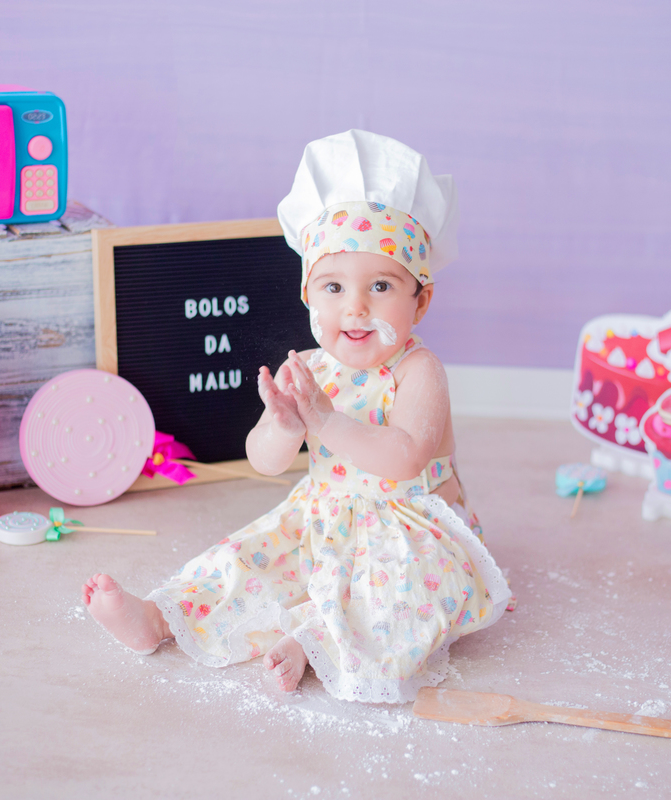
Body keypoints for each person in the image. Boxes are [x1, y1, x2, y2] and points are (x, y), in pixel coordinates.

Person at [83, 130, 510, 703]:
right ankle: (162, 616)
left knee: (399, 600)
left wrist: (327, 423)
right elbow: (263, 460)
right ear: (309, 295)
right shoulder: (309, 369)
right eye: (334, 286)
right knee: (249, 558)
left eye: (380, 285)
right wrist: (284, 426)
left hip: (411, 528)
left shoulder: (417, 370)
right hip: (322, 514)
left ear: (420, 301)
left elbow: (405, 455)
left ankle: (316, 642)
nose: (355, 306)